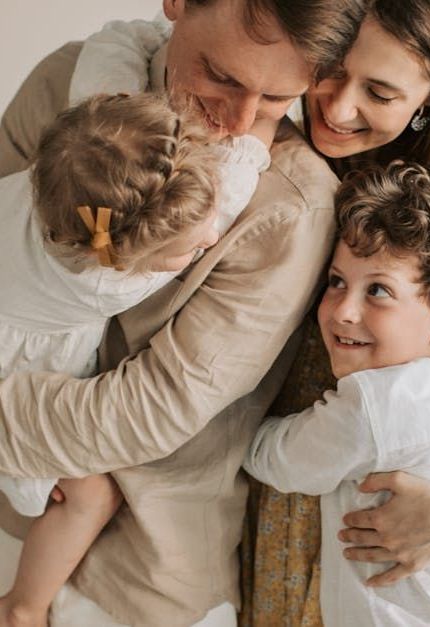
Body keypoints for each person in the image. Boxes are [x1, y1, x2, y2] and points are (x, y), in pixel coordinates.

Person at [0, 1, 364, 625]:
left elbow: (151, 409)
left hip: (139, 576)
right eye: (221, 77)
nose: (239, 122)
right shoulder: (66, 82)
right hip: (15, 503)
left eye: (277, 99)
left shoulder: (291, 206)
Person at [242, 1, 430, 625]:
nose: (338, 109)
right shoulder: (260, 163)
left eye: (379, 90)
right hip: (267, 561)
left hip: (406, 571)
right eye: (331, 70)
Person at [0, 89, 278, 627]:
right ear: (119, 257)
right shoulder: (103, 281)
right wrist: (267, 115)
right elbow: (244, 160)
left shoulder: (64, 174)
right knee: (90, 494)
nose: (214, 236)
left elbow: (110, 56)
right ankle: (22, 607)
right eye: (192, 251)